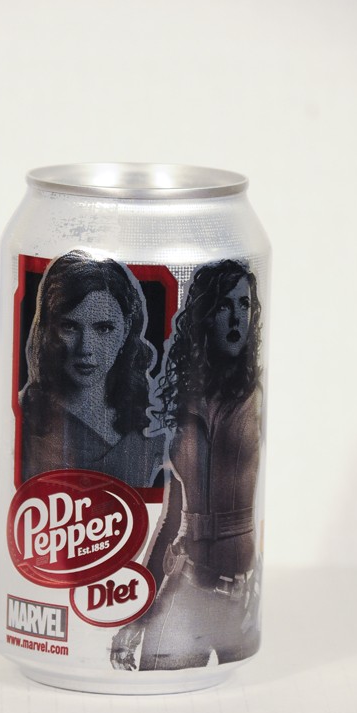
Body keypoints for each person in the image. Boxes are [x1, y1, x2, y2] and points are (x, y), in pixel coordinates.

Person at [111, 259, 263, 670]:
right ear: (205, 316)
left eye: (244, 304)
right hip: (187, 584)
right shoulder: (182, 403)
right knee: (155, 689)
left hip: (243, 595)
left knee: (243, 698)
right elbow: (170, 520)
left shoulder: (256, 395)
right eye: (224, 305)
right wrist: (137, 614)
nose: (237, 318)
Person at [20, 249, 163, 487]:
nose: (85, 348)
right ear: (48, 328)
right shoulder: (24, 417)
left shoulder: (153, 420)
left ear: (126, 329)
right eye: (69, 327)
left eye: (104, 328)